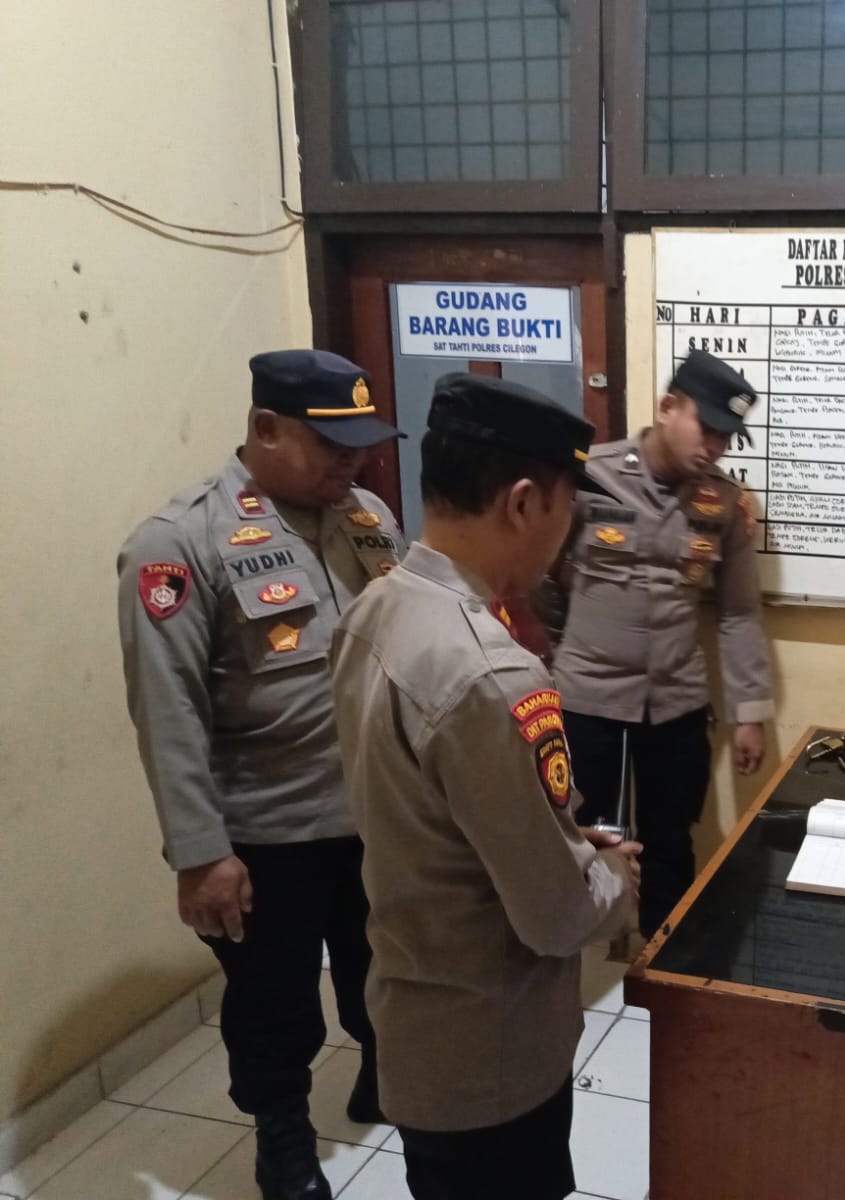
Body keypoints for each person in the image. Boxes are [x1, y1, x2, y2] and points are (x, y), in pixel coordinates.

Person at [329, 373, 639, 1200]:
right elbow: (555, 916)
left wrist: (560, 843)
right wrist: (614, 877)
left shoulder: (376, 608)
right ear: (525, 502)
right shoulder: (491, 672)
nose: (567, 538)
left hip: (418, 1017)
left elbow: (431, 817)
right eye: (569, 511)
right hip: (492, 1049)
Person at [117, 349, 404, 1200]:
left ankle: (382, 1072)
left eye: (362, 442)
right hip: (267, 831)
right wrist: (200, 853)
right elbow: (167, 711)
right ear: (266, 428)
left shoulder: (369, 518)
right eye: (332, 443)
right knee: (275, 1004)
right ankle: (283, 1138)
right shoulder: (178, 542)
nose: (353, 460)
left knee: (384, 970)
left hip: (377, 815)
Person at [542, 347, 775, 937]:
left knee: (671, 840)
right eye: (708, 428)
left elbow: (739, 611)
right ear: (668, 407)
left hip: (676, 701)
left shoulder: (725, 502)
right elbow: (541, 578)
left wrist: (749, 713)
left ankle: (665, 962)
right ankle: (589, 963)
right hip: (586, 698)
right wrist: (562, 655)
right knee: (585, 835)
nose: (716, 447)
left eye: (727, 437)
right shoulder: (589, 475)